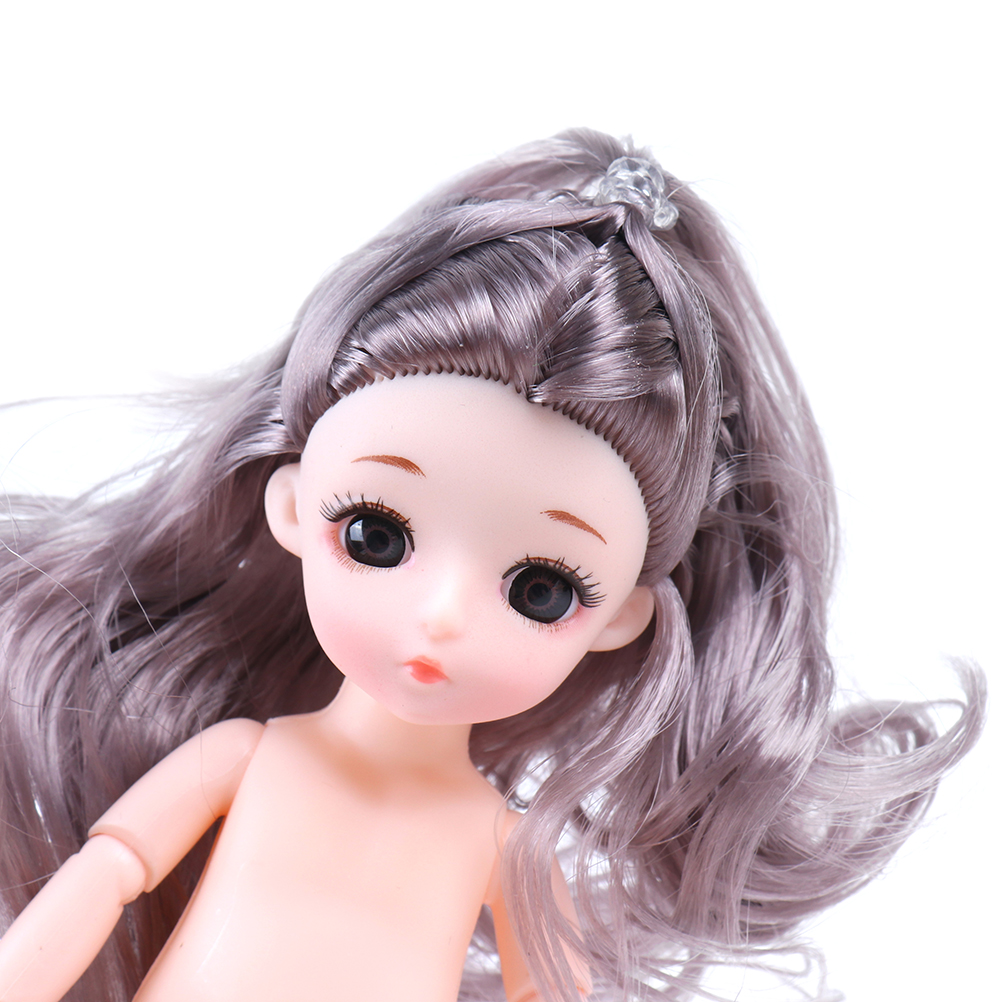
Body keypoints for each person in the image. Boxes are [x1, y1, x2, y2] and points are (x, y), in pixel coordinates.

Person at [0, 130, 983, 1002]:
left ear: (616, 620)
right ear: (295, 508)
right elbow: (104, 879)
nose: (441, 615)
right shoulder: (249, 760)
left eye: (539, 591)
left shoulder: (504, 852)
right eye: (376, 535)